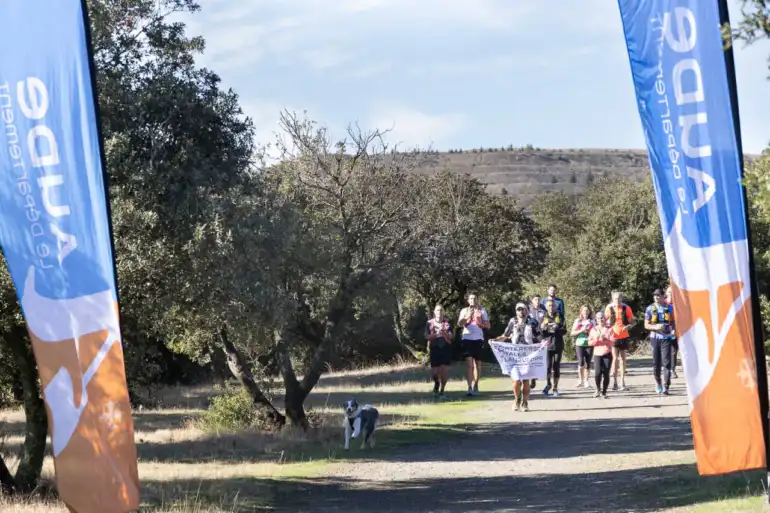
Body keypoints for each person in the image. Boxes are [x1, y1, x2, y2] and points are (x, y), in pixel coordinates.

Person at [493, 302, 540, 411]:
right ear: (516, 311)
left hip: (528, 354)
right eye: (519, 309)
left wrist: (543, 342)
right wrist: (495, 340)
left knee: (525, 381)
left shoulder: (532, 322)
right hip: (514, 354)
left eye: (522, 309)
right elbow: (505, 335)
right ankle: (517, 399)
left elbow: (538, 335)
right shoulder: (512, 321)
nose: (521, 311)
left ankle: (525, 402)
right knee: (516, 380)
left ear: (526, 310)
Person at [458, 293, 490, 397]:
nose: (473, 300)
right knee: (469, 365)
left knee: (478, 364)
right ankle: (469, 387)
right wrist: (468, 316)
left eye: (475, 298)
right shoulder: (464, 311)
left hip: (478, 339)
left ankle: (476, 385)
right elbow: (459, 324)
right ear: (468, 301)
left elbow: (488, 325)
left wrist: (481, 323)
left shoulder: (482, 310)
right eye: (471, 298)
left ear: (477, 300)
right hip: (467, 338)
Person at [645, 289, 676, 395]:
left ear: (663, 296)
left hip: (666, 338)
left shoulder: (670, 308)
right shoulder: (650, 308)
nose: (656, 297)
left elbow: (674, 321)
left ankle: (666, 387)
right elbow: (646, 325)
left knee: (666, 363)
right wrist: (655, 326)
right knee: (656, 364)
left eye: (658, 295)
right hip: (655, 338)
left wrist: (674, 330)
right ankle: (658, 382)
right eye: (655, 296)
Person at [604, 291, 635, 391]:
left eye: (619, 298)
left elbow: (633, 322)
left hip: (624, 336)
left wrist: (628, 326)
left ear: (622, 299)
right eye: (615, 298)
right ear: (612, 299)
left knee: (623, 359)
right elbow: (604, 322)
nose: (617, 300)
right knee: (615, 359)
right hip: (614, 337)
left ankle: (622, 382)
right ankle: (614, 382)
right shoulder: (609, 309)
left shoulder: (626, 308)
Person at [425, 305, 453, 400]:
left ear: (443, 312)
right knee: (435, 373)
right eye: (437, 310)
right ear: (434, 312)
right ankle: (436, 383)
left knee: (444, 371)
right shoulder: (429, 323)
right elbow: (426, 336)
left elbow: (451, 336)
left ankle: (442, 391)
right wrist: (436, 334)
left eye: (441, 310)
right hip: (434, 348)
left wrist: (444, 332)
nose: (439, 312)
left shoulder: (447, 322)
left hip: (445, 348)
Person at [540, 299, 566, 397]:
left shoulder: (560, 316)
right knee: (547, 367)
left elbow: (564, 330)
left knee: (556, 366)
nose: (551, 307)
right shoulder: (543, 317)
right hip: (547, 345)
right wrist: (544, 328)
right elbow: (539, 332)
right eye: (549, 306)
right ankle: (548, 384)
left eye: (553, 305)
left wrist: (557, 328)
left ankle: (555, 387)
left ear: (555, 307)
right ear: (546, 307)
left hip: (558, 344)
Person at [588, 311, 613, 398]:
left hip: (607, 353)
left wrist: (605, 339)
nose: (600, 319)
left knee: (606, 373)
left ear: (605, 319)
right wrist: (597, 340)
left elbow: (613, 341)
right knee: (597, 373)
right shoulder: (593, 330)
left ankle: (604, 392)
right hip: (597, 354)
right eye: (598, 318)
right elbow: (589, 342)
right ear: (596, 320)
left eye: (602, 317)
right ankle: (598, 389)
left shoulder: (609, 329)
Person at [570, 305, 594, 388]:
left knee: (588, 362)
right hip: (579, 344)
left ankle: (586, 380)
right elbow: (572, 333)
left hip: (589, 344)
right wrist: (581, 330)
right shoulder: (578, 321)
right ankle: (580, 379)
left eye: (587, 311)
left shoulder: (592, 321)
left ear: (589, 312)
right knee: (581, 362)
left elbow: (596, 332)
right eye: (584, 310)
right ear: (581, 311)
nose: (585, 312)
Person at [528, 295, 546, 390]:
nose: (537, 301)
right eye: (535, 299)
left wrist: (545, 324)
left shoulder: (544, 311)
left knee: (538, 358)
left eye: (539, 299)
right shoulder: (528, 311)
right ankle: (532, 377)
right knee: (531, 358)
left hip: (541, 337)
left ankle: (535, 375)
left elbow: (547, 321)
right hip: (531, 337)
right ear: (532, 301)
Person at [664, 285, 678, 379]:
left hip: (675, 330)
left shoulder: (678, 303)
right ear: (666, 293)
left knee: (674, 350)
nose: (670, 293)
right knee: (665, 350)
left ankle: (672, 370)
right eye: (669, 292)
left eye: (672, 292)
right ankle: (666, 368)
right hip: (664, 330)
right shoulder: (662, 303)